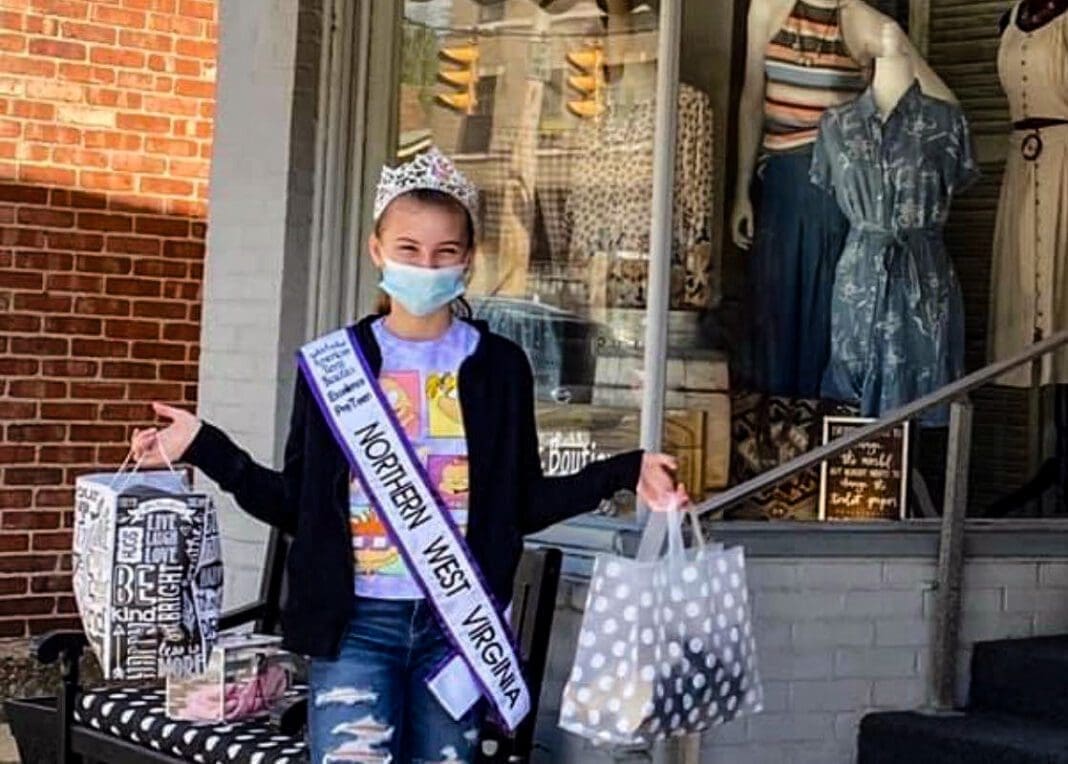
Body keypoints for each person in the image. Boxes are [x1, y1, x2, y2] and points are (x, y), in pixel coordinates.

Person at [130, 147, 686, 762]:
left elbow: (521, 504)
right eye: (408, 250)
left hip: (456, 631)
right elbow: (297, 506)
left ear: (468, 260)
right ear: (377, 252)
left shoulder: (499, 370)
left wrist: (624, 469)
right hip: (356, 625)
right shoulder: (333, 367)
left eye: (444, 252)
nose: (427, 265)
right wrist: (204, 447)